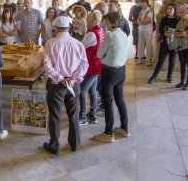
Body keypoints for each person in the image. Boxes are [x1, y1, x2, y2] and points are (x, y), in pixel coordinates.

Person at [43, 16, 88, 154]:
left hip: (57, 85)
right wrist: (75, 78)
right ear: (68, 28)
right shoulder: (77, 43)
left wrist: (60, 78)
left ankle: (54, 145)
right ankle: (75, 144)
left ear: (55, 28)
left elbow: (47, 66)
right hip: (73, 84)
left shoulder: (51, 43)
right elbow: (84, 63)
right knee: (74, 114)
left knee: (55, 115)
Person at [93, 12, 129, 143]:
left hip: (109, 71)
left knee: (107, 101)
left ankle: (108, 133)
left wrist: (104, 55)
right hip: (121, 70)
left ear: (113, 22)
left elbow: (99, 53)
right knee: (120, 99)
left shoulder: (110, 35)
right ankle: (124, 128)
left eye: (107, 22)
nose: (105, 24)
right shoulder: (123, 34)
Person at [79, 10, 104, 125]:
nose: (86, 22)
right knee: (92, 91)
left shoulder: (91, 34)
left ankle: (83, 117)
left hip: (91, 66)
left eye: (88, 20)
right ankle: (92, 115)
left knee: (82, 91)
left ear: (93, 21)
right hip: (97, 65)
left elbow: (81, 46)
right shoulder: (99, 30)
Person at [148, 3, 181, 84]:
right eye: (168, 9)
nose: (169, 10)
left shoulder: (179, 20)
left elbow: (180, 31)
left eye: (171, 9)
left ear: (175, 10)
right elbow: (161, 30)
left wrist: (172, 34)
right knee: (161, 60)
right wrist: (165, 34)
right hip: (165, 42)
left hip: (175, 43)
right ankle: (154, 76)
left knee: (172, 61)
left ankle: (169, 76)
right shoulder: (163, 19)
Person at [137, 0, 154, 66]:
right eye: (141, 3)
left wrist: (140, 22)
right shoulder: (142, 11)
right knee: (141, 44)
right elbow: (138, 20)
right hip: (141, 29)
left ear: (147, 3)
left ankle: (149, 60)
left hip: (148, 30)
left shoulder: (149, 12)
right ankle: (140, 58)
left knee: (148, 44)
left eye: (143, 3)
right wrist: (141, 22)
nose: (142, 4)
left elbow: (145, 21)